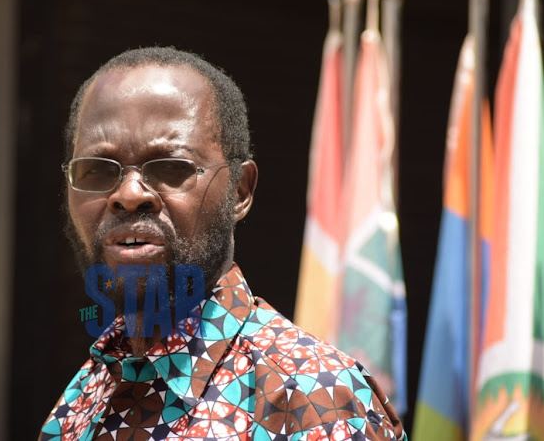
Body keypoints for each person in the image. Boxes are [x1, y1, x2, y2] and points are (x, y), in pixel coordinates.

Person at [39, 47, 404, 441]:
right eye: (97, 169)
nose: (129, 194)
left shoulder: (314, 399)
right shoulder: (86, 393)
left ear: (240, 191)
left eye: (171, 167)